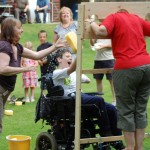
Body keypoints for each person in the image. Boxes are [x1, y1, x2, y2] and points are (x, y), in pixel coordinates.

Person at [88, 9, 150, 150]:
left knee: (126, 109)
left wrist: (92, 22)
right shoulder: (136, 18)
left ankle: (129, 147)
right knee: (140, 109)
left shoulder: (114, 17)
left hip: (126, 68)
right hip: (147, 66)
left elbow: (100, 32)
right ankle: (138, 147)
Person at [0, 17, 68, 134]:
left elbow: (37, 55)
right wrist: (24, 69)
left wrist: (54, 47)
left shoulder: (18, 47)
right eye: (19, 28)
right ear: (11, 30)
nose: (22, 30)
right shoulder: (4, 46)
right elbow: (2, 68)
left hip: (4, 91)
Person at [52, 48, 125, 150]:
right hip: (70, 101)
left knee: (112, 109)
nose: (70, 58)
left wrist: (79, 77)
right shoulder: (56, 73)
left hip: (81, 97)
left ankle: (117, 140)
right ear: (59, 59)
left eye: (71, 57)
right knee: (99, 100)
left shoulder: (74, 73)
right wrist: (79, 53)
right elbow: (71, 69)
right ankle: (106, 136)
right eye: (67, 56)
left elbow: (88, 80)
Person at [90, 39, 116, 106]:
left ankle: (115, 101)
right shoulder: (97, 32)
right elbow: (92, 44)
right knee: (98, 80)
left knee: (112, 81)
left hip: (109, 58)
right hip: (98, 59)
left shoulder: (109, 32)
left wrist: (104, 46)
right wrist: (91, 38)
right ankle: (100, 101)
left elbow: (115, 44)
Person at [37, 30, 56, 96]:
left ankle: (52, 94)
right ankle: (43, 95)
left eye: (44, 37)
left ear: (46, 37)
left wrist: (47, 59)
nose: (42, 38)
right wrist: (39, 61)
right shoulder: (39, 48)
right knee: (43, 81)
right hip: (43, 69)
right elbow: (37, 56)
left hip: (50, 68)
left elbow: (53, 55)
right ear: (39, 38)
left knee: (51, 81)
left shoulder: (50, 45)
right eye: (41, 37)